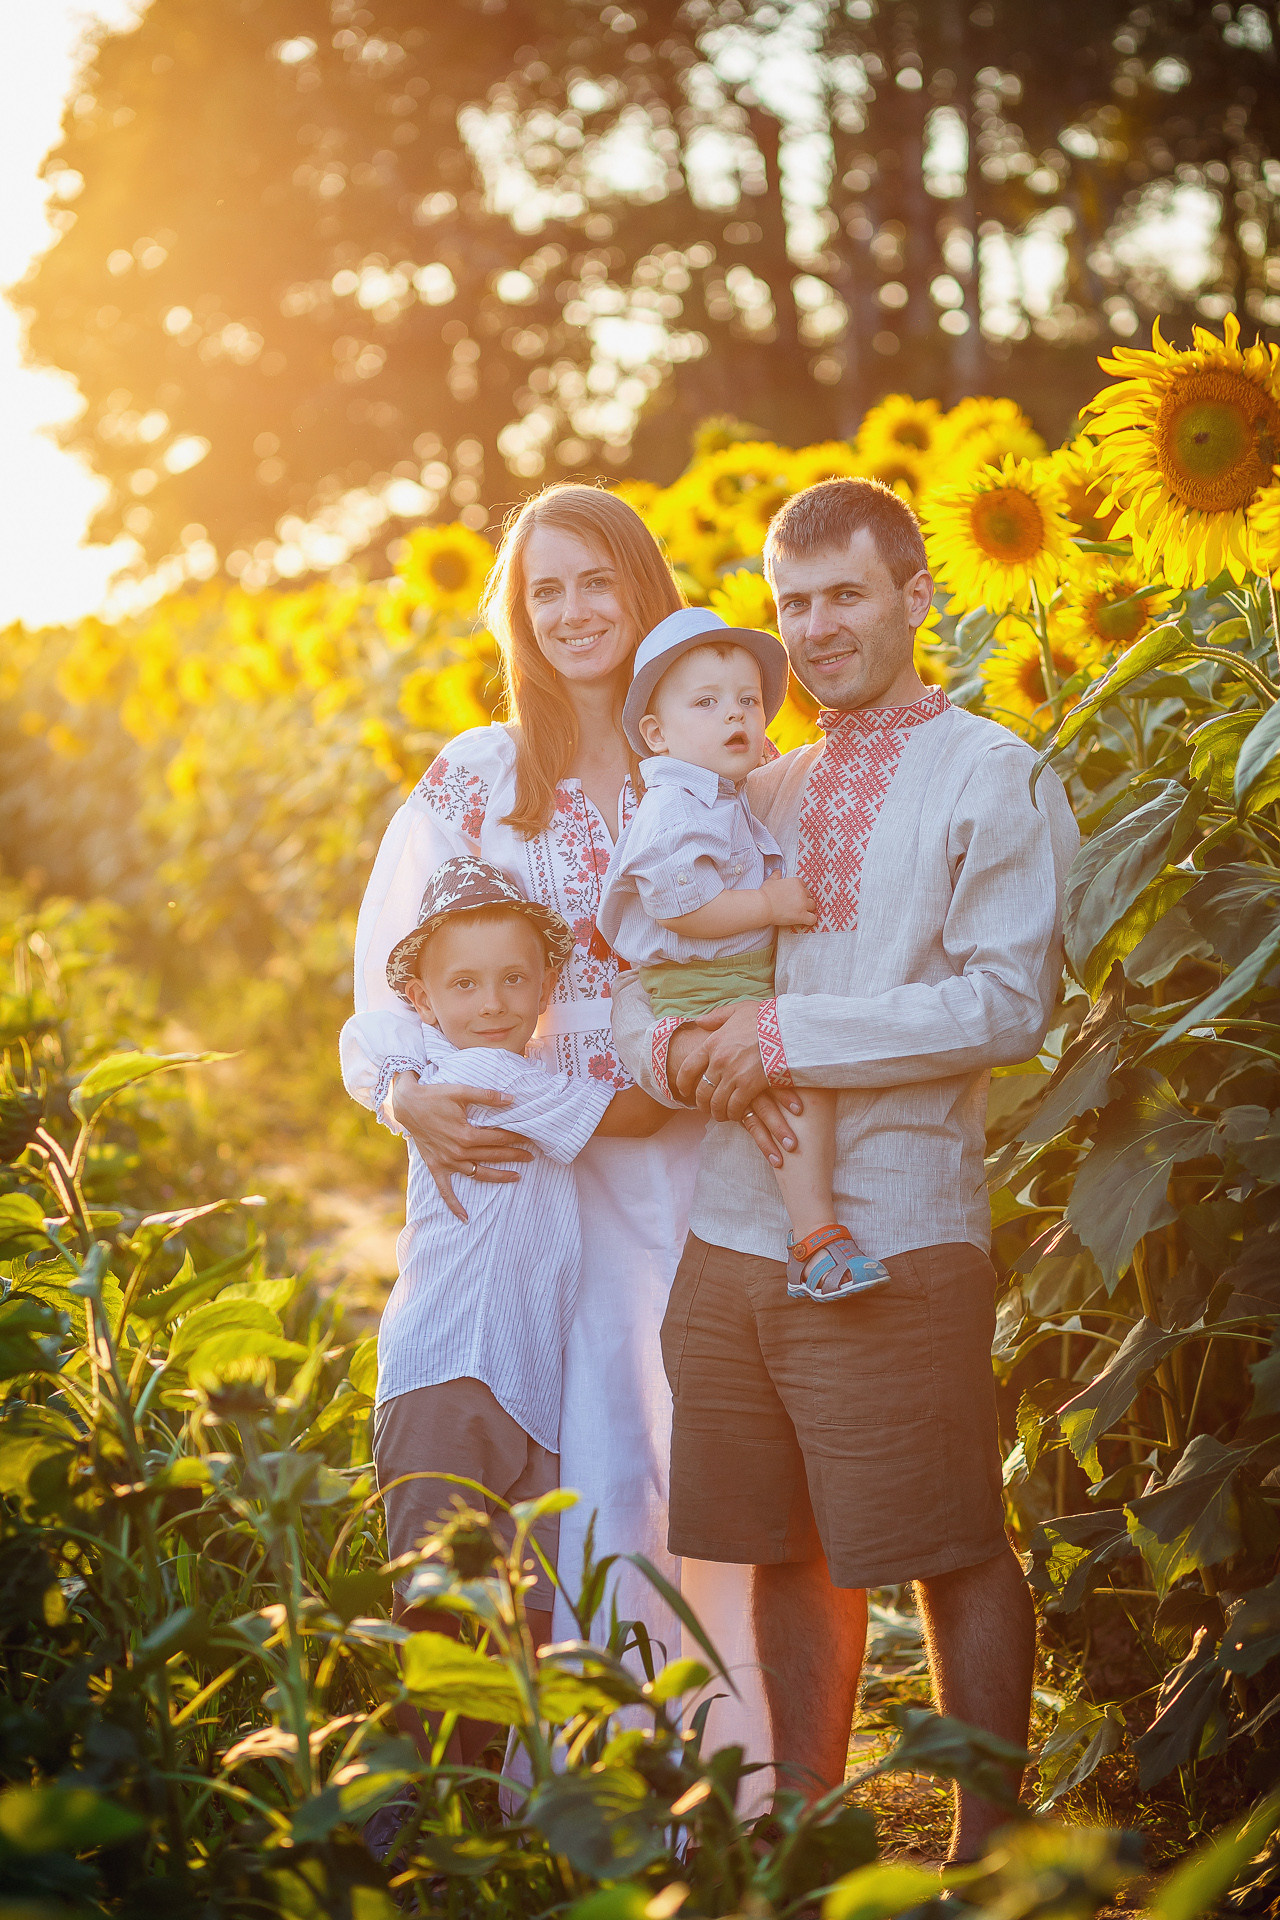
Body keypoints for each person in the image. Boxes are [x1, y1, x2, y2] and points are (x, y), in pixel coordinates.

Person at [611, 476, 1079, 1863]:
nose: (815, 628)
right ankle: (806, 1833)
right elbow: (650, 965)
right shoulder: (751, 787)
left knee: (947, 1539)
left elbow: (1007, 1003)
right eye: (793, 603)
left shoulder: (992, 774)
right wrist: (671, 1057)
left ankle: (992, 1856)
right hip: (733, 1228)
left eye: (845, 596)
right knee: (781, 1542)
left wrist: (782, 1036)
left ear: (916, 595)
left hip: (895, 1220)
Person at [345, 482, 770, 1773]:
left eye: (598, 581)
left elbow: (771, 922)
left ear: (644, 590)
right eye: (546, 589)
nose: (575, 610)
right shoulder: (475, 776)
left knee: (692, 1446)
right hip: (529, 1170)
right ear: (516, 614)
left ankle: (710, 1767)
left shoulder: (701, 757)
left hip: (693, 1145)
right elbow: (389, 982)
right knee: (583, 1449)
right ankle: (578, 1772)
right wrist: (403, 1096)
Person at [340, 854, 665, 1766]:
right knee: (444, 1601)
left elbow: (366, 1043)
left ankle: (479, 1792)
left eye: (515, 979)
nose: (493, 1002)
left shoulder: (444, 1073)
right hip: (450, 1373)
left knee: (513, 1606)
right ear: (423, 997)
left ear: (547, 984)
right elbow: (640, 1118)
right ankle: (414, 1805)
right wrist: (688, 1024)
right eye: (465, 984)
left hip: (516, 1379)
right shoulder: (491, 1076)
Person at [597, 605, 890, 1302]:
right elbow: (680, 905)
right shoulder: (673, 808)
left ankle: (809, 1234)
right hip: (702, 982)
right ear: (656, 734)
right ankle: (816, 1239)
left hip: (722, 976)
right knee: (795, 1081)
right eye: (706, 703)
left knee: (789, 1082)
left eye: (748, 702)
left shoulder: (716, 795)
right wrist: (767, 905)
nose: (735, 715)